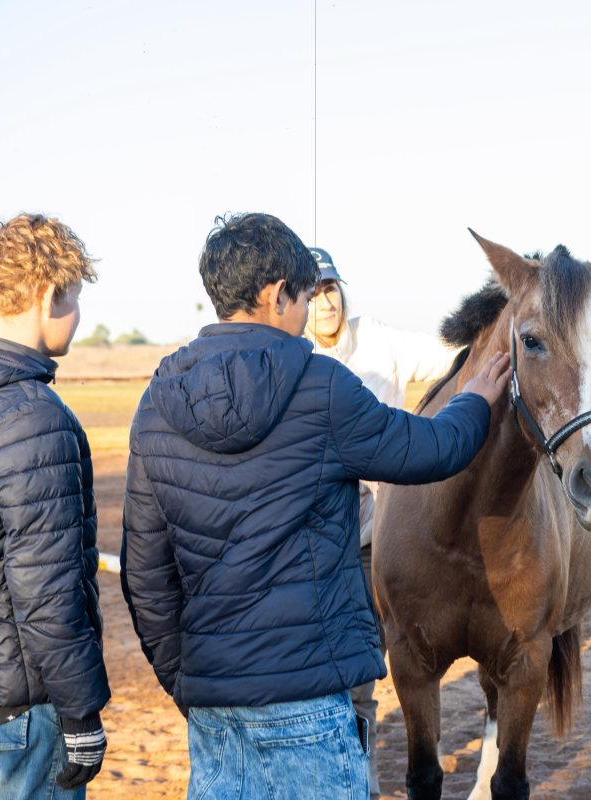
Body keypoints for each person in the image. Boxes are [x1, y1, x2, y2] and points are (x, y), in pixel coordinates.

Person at [120, 212, 509, 800]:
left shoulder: (156, 400)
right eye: (305, 296)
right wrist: (476, 396)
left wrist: (187, 679)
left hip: (211, 706)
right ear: (279, 295)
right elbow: (431, 449)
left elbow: (144, 572)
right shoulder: (321, 386)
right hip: (309, 697)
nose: (310, 314)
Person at [0, 214, 110, 798]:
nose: (79, 316)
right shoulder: (32, 418)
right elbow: (48, 591)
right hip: (22, 714)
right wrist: (82, 712)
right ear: (47, 294)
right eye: (77, 298)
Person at [302, 246, 459, 798]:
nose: (325, 302)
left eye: (330, 289)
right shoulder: (295, 355)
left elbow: (452, 356)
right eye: (314, 291)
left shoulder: (382, 342)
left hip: (375, 539)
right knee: (315, 666)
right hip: (313, 540)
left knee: (366, 663)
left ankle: (362, 780)